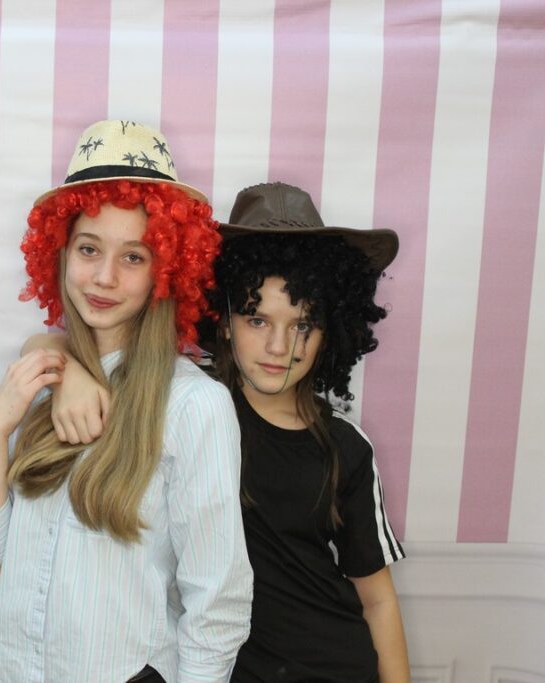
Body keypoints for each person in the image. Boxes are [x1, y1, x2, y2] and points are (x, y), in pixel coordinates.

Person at [30, 182, 410, 682]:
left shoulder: (344, 446)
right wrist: (65, 371)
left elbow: (378, 599)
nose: (279, 347)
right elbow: (77, 350)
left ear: (329, 330)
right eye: (257, 319)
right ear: (224, 320)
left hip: (335, 666)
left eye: (302, 325)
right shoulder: (186, 405)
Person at [0, 120, 252, 683]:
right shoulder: (40, 380)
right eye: (89, 249)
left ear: (167, 270)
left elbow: (218, 603)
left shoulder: (195, 407)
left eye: (133, 257)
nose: (105, 278)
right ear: (60, 254)